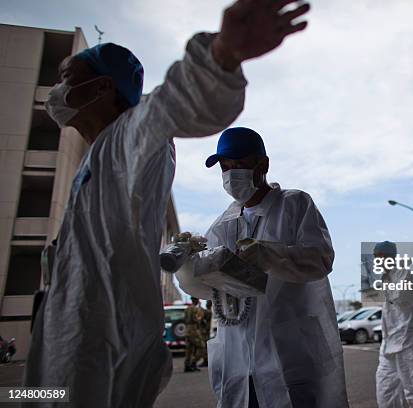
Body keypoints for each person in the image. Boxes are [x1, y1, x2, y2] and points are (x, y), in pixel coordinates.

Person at [24, 1, 311, 406]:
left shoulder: (132, 134)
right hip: (70, 334)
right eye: (223, 165)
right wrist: (188, 266)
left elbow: (175, 104)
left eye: (68, 78)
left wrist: (223, 55)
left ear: (103, 87)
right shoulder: (98, 158)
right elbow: (198, 286)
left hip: (98, 342)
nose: (58, 90)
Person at [177, 127, 349, 407]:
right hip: (238, 361)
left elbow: (320, 259)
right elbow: (210, 290)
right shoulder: (223, 224)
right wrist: (186, 269)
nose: (232, 175)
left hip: (286, 352)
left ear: (263, 164)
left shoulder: (294, 204)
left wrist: (269, 255)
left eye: (240, 165)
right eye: (225, 167)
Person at [373, 241, 413, 408]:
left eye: (380, 257)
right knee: (386, 394)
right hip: (388, 346)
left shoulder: (404, 273)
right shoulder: (385, 278)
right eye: (375, 258)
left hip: (409, 344)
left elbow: (399, 297)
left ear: (390, 257)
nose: (377, 262)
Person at [184, 297, 206, 372]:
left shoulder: (187, 309)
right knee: (202, 346)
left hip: (187, 330)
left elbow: (185, 319)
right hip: (194, 330)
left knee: (189, 349)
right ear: (196, 300)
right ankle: (193, 362)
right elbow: (199, 318)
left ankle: (187, 365)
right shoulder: (196, 309)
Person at [197, 300, 213, 368]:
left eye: (207, 303)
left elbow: (201, 318)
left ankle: (206, 361)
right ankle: (206, 360)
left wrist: (199, 306)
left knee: (205, 346)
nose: (206, 304)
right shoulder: (209, 311)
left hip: (205, 331)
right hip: (207, 330)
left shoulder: (208, 311)